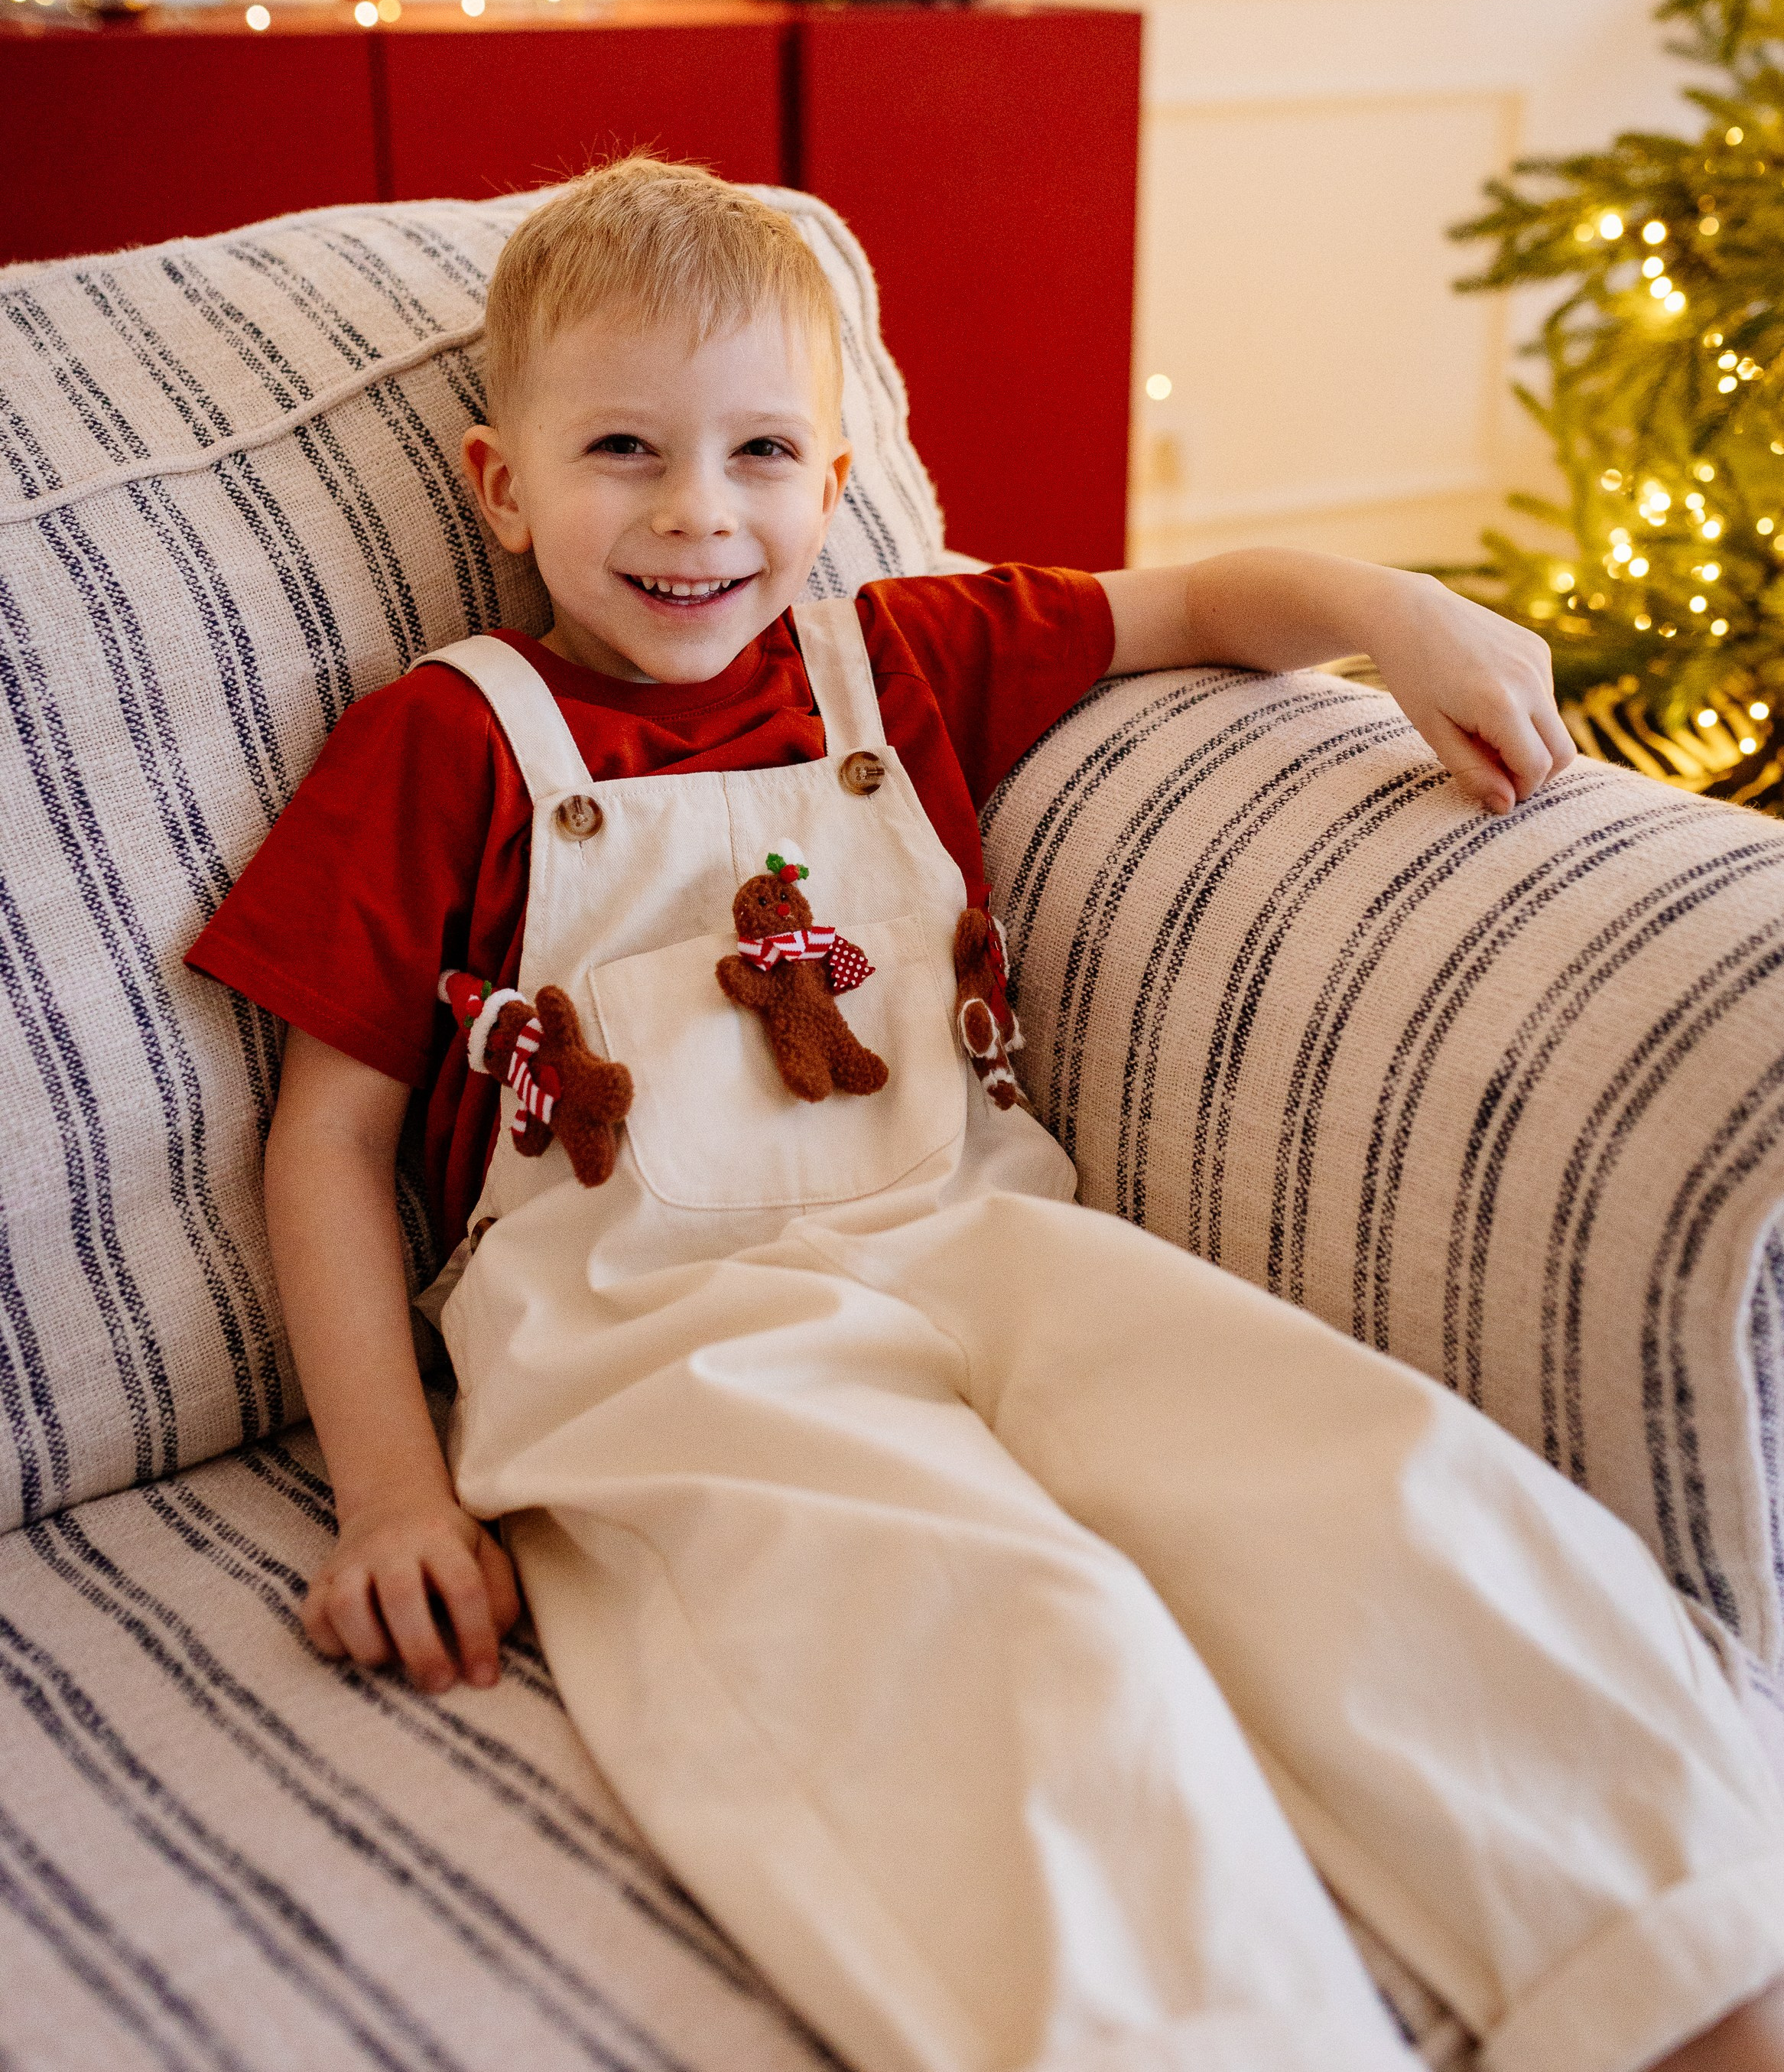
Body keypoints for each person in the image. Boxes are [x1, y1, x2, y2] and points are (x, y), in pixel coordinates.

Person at [189, 158, 1784, 2072]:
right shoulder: (448, 738)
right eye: (625, 448)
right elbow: (329, 1142)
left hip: (989, 1239)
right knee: (1013, 1641)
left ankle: (1683, 1951)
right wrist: (390, 1492)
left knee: (1350, 1471)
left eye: (762, 449)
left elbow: (1194, 596)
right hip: (672, 1336)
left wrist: (1397, 611)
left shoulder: (903, 651)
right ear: (501, 483)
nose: (700, 510)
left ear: (835, 485)